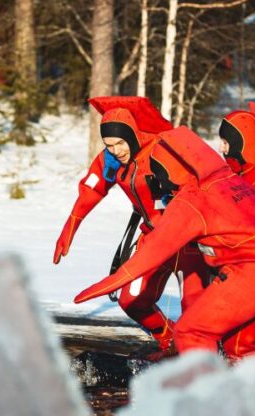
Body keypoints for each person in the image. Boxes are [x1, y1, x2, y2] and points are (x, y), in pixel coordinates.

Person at [74, 126, 255, 360]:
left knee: (191, 332)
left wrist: (109, 283)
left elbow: (154, 251)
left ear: (168, 169)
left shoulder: (192, 199)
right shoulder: (230, 179)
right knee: (244, 344)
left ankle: (203, 393)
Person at [53, 96, 209, 356]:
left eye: (120, 143)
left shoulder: (165, 150)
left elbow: (207, 187)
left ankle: (210, 362)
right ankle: (169, 343)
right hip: (152, 241)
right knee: (132, 301)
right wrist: (70, 227)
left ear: (133, 135)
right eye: (109, 144)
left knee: (196, 309)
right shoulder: (112, 160)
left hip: (187, 243)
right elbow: (92, 189)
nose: (115, 150)